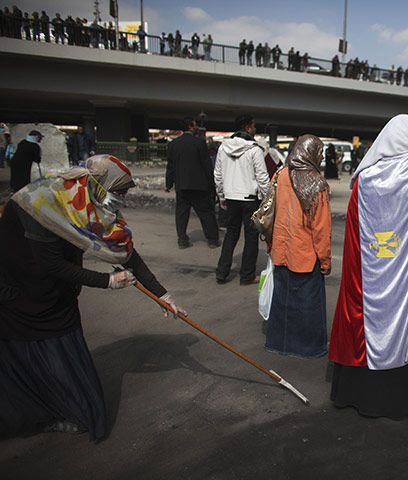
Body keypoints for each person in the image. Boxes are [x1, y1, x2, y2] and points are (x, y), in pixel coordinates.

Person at [0, 154, 184, 440]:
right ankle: (44, 413)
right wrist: (108, 281)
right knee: (37, 361)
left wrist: (162, 294)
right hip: (23, 295)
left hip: (57, 295)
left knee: (66, 355)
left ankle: (68, 408)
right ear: (100, 185)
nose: (120, 200)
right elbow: (51, 265)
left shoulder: (88, 200)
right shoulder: (40, 202)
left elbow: (123, 251)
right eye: (119, 192)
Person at [329, 114, 408, 419]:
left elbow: (355, 235)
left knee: (370, 318)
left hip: (370, 275)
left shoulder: (364, 176)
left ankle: (363, 392)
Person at [264, 135, 331, 358]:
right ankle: (309, 348)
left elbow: (270, 212)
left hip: (281, 251)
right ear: (309, 153)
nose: (322, 157)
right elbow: (321, 229)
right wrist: (325, 260)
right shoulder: (317, 183)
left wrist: (271, 244)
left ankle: (279, 343)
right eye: (319, 152)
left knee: (282, 302)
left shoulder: (280, 174)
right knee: (309, 306)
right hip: (306, 256)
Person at [213, 115, 269, 285]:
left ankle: (222, 272)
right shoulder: (255, 150)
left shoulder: (223, 148)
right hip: (250, 198)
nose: (255, 129)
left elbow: (218, 175)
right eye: (253, 126)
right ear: (247, 128)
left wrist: (222, 195)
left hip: (231, 197)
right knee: (251, 237)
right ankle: (246, 275)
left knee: (231, 233)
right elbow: (262, 178)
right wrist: (267, 200)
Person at [165, 117, 220, 249]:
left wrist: (169, 183)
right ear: (190, 127)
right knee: (206, 213)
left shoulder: (173, 144)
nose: (196, 128)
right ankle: (212, 239)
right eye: (194, 125)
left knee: (181, 214)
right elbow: (206, 165)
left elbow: (170, 166)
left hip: (182, 185)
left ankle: (182, 240)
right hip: (199, 185)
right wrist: (212, 182)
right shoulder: (199, 143)